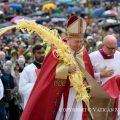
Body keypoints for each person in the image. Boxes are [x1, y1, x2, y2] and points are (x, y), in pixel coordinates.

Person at [89, 35, 120, 120]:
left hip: (117, 95)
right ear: (103, 45)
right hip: (101, 96)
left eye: (115, 47)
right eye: (110, 48)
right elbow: (85, 76)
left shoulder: (119, 55)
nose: (113, 51)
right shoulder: (92, 57)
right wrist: (100, 75)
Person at [19, 44, 45, 109]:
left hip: (45, 102)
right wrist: (39, 86)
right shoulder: (27, 69)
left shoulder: (48, 68)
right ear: (33, 54)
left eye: (43, 52)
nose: (42, 55)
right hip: (32, 103)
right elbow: (22, 88)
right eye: (39, 53)